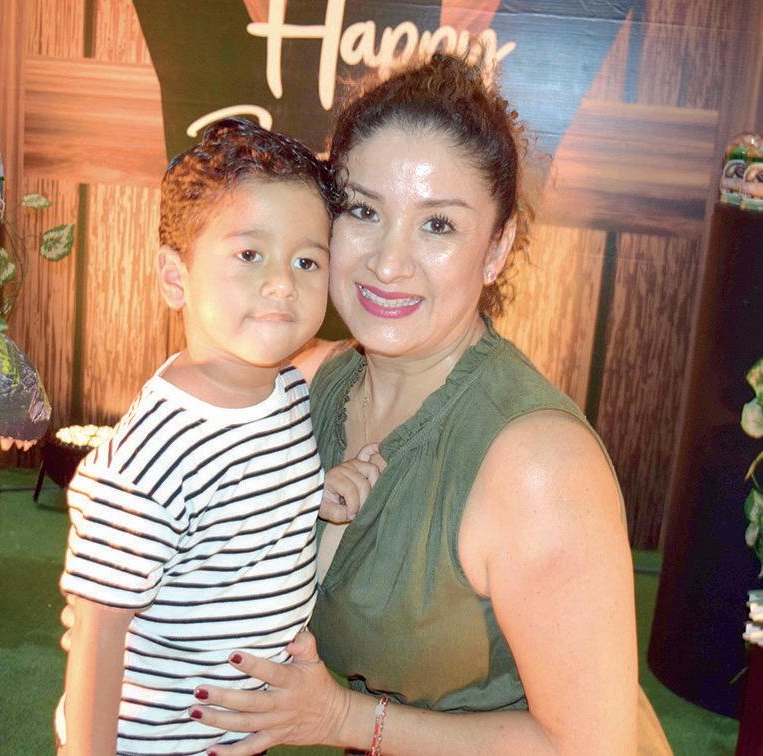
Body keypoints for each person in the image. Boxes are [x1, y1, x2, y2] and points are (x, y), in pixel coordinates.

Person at [187, 53, 672, 754]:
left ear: (497, 248)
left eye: (438, 225)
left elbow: (591, 747)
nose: (389, 263)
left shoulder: (539, 467)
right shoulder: (305, 384)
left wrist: (344, 719)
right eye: (363, 211)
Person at [56, 118, 381, 755]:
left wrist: (316, 494)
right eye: (249, 255)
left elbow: (238, 505)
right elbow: (98, 630)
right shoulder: (152, 455)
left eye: (306, 261)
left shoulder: (286, 391)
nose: (283, 282)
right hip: (150, 744)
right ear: (175, 277)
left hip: (229, 736)